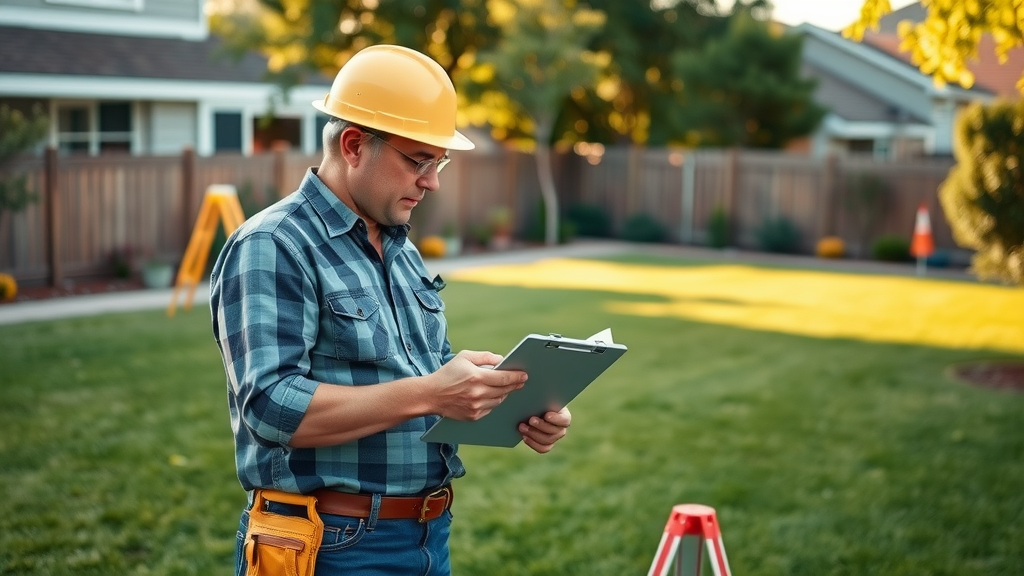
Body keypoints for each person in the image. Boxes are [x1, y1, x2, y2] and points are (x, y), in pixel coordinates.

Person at [209, 44, 572, 576]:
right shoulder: (273, 244)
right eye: (418, 160)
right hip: (329, 546)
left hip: (427, 536)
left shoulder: (401, 249)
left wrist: (515, 406)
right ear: (354, 145)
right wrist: (433, 391)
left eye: (438, 162)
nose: (433, 181)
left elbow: (425, 381)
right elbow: (269, 405)